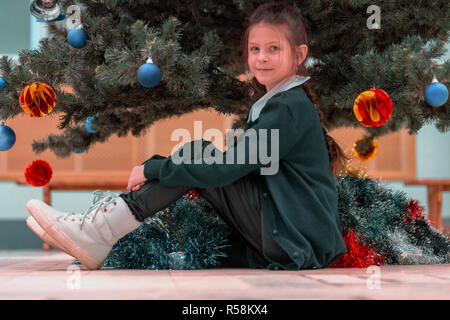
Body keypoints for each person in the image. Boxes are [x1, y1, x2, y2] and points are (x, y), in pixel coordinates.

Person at [26, 2, 347, 271]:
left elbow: (227, 168)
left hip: (294, 240)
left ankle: (101, 231)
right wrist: (162, 165)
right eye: (255, 49)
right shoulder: (282, 101)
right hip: (289, 232)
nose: (261, 57)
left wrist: (152, 169)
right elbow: (242, 167)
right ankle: (99, 232)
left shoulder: (287, 107)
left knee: (200, 155)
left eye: (273, 49)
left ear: (299, 53)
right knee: (199, 152)